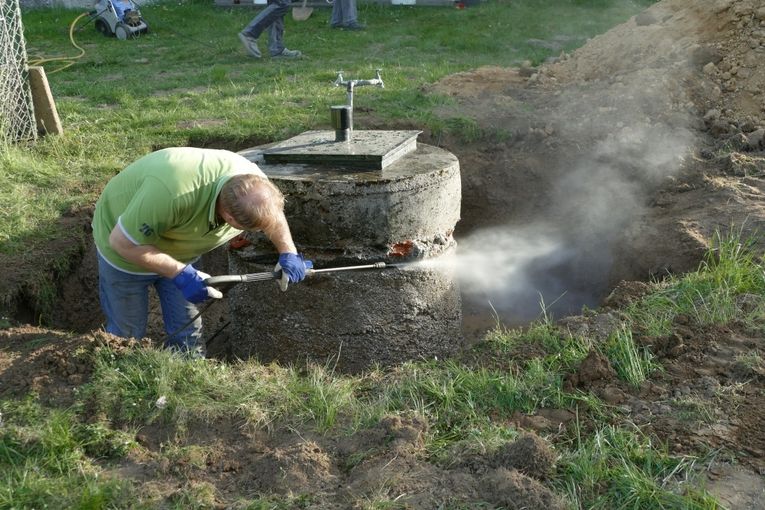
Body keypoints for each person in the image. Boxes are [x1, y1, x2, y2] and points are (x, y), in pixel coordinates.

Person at [92, 147, 312, 355]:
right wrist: (180, 273)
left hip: (181, 251)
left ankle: (189, 373)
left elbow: (272, 215)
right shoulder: (173, 192)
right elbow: (122, 243)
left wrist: (288, 252)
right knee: (127, 333)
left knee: (187, 331)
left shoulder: (254, 184)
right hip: (126, 249)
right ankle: (120, 376)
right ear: (230, 219)